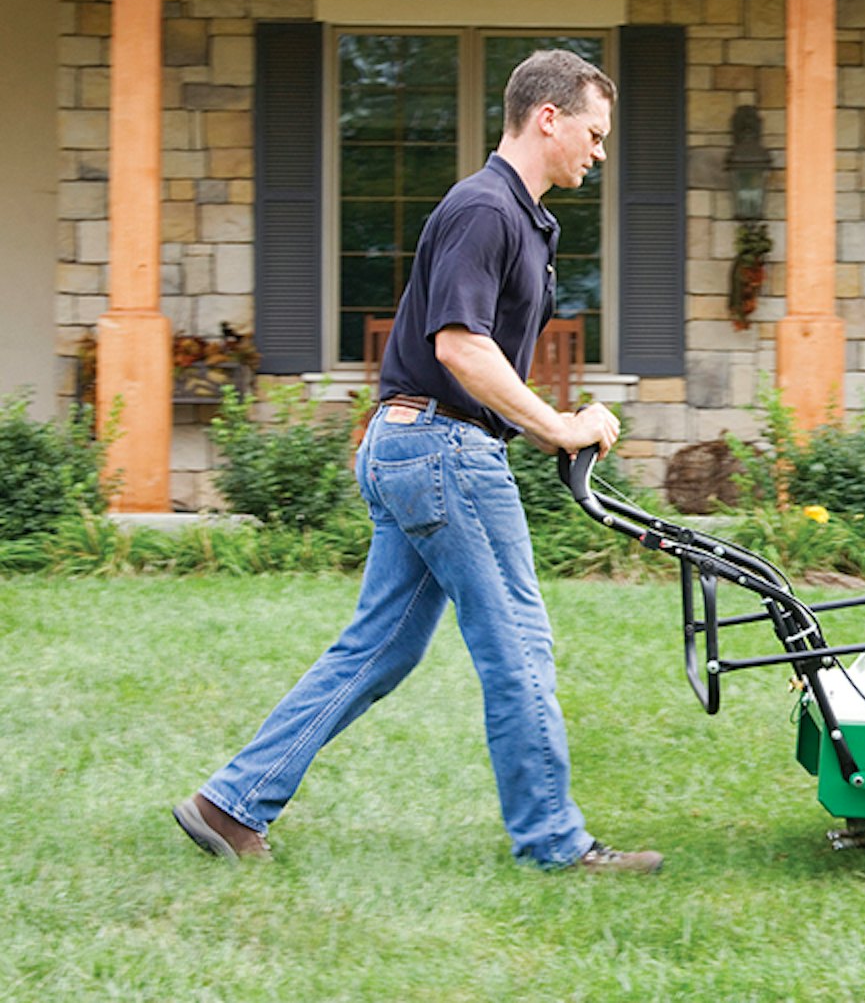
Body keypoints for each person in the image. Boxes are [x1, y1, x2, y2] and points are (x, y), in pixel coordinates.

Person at [174, 49, 662, 874]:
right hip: (441, 448)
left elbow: (478, 352)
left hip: (413, 443)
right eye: (594, 132)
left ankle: (230, 803)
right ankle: (556, 845)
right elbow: (461, 346)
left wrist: (551, 419)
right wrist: (556, 426)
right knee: (518, 644)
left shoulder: (517, 215)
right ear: (549, 118)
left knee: (381, 648)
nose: (600, 151)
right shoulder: (484, 209)